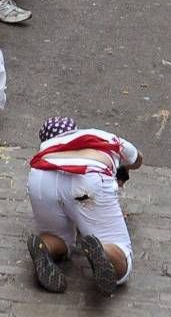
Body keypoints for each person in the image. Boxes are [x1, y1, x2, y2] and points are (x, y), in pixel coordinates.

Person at [26, 117, 143, 294]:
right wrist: (124, 168)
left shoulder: (49, 144)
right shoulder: (104, 136)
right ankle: (103, 250)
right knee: (122, 252)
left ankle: (45, 247)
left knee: (59, 238)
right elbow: (137, 160)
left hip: (41, 177)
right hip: (87, 177)